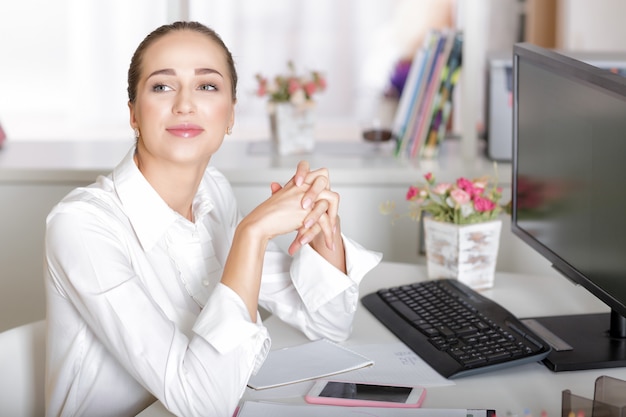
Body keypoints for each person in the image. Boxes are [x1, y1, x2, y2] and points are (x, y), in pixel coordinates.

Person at [44, 21, 381, 417]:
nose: (185, 104)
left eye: (207, 86)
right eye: (161, 86)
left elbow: (329, 325)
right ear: (133, 114)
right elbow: (200, 402)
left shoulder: (212, 191)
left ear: (230, 116)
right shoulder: (81, 226)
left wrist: (322, 229)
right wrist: (251, 235)